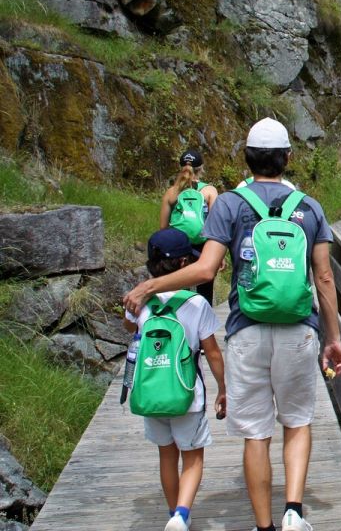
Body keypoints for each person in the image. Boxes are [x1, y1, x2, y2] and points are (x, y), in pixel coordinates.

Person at [124, 118, 341, 531]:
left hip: (247, 331)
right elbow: (325, 277)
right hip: (299, 330)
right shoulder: (310, 206)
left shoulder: (229, 203)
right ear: (288, 158)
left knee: (257, 434)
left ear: (246, 159)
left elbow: (205, 270)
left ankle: (264, 526)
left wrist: (150, 285)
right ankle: (294, 512)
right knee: (297, 422)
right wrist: (331, 338)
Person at [123, 228, 226, 531]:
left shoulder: (139, 302)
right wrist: (223, 388)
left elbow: (130, 330)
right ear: (184, 265)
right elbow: (213, 353)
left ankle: (172, 513)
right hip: (187, 395)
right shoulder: (196, 304)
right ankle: (182, 514)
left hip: (152, 394)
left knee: (166, 456)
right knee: (192, 458)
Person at [160, 149, 219, 305]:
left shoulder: (171, 193)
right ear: (201, 168)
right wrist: (218, 256)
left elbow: (163, 228)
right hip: (202, 247)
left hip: (177, 247)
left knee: (180, 289)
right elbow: (215, 227)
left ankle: (180, 323)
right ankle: (204, 322)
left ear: (180, 167)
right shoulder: (209, 191)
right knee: (205, 290)